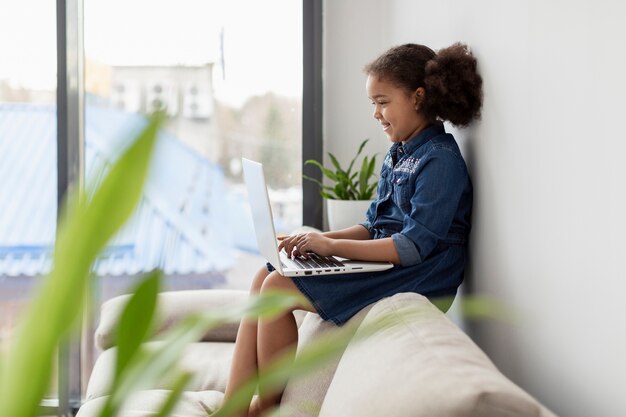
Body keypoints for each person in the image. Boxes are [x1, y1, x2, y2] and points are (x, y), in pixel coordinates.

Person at [221, 42, 483, 417]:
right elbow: (373, 225)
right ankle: (231, 406)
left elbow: (412, 246)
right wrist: (316, 241)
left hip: (423, 274)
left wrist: (328, 246)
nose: (376, 113)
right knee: (265, 275)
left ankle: (266, 408)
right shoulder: (400, 152)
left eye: (382, 101)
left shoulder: (439, 160)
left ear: (418, 97)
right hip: (393, 262)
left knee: (278, 288)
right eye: (372, 104)